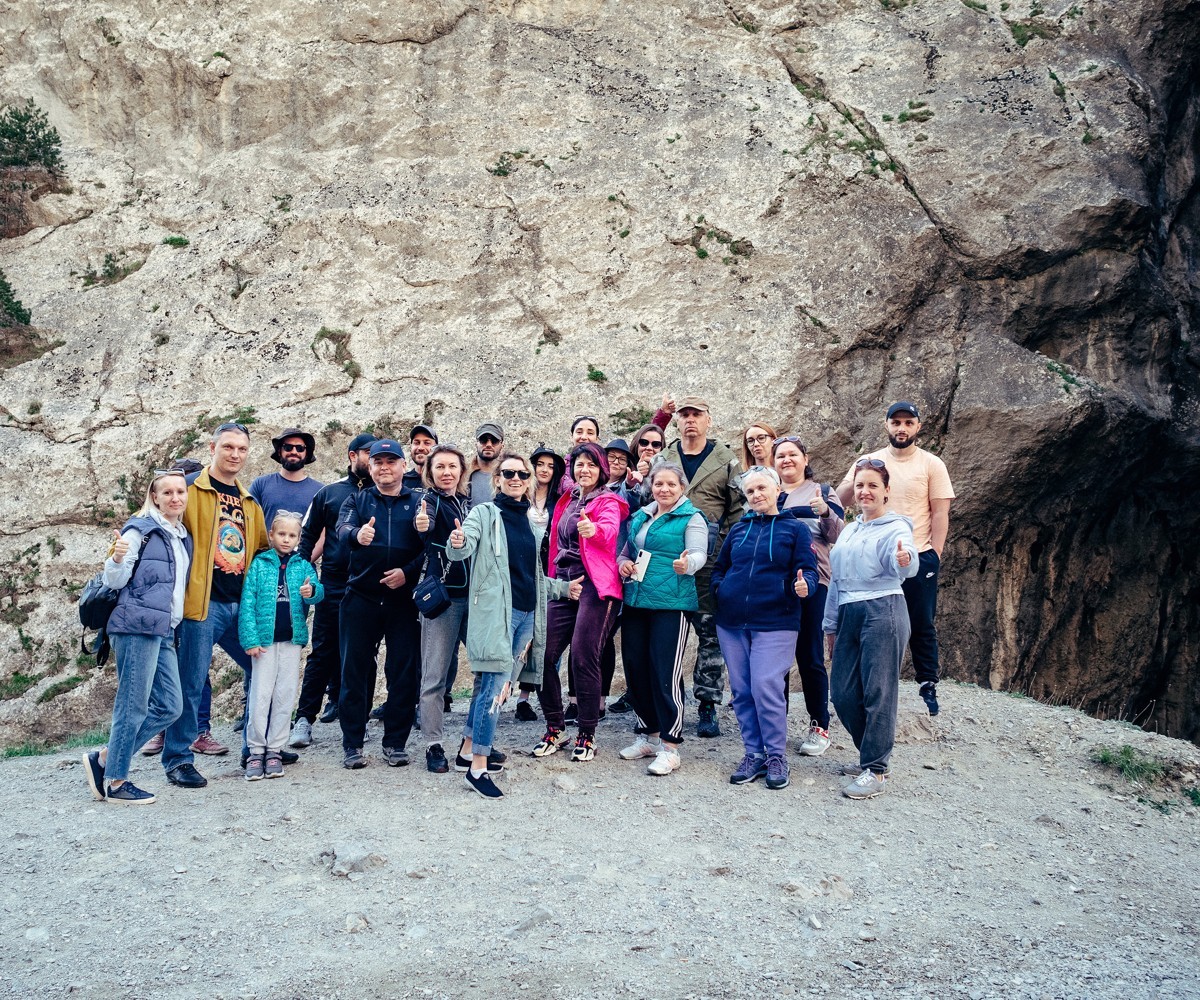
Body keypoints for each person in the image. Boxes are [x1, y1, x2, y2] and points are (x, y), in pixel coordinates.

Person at [446, 454, 566, 797]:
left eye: (522, 473)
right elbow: (463, 546)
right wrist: (458, 544)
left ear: (529, 480)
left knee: (495, 685)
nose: (516, 478)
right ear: (496, 479)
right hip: (499, 615)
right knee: (494, 690)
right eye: (508, 473)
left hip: (527, 615)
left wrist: (562, 589)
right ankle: (478, 768)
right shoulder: (484, 514)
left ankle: (468, 749)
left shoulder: (530, 521)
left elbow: (534, 574)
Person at [165, 422, 268, 789]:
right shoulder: (190, 491)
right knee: (190, 683)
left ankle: (253, 747)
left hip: (239, 604)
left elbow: (260, 552)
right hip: (202, 604)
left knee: (262, 667)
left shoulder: (249, 500)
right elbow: (161, 531)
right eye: (228, 447)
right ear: (213, 447)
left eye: (241, 449)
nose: (235, 454)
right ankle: (178, 759)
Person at [836, 401, 954, 715]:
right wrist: (830, 504)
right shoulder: (869, 461)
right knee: (875, 622)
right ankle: (870, 685)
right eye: (896, 422)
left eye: (908, 422)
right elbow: (844, 495)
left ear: (918, 427)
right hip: (875, 557)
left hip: (918, 553)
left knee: (921, 622)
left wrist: (935, 555)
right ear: (886, 425)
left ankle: (928, 683)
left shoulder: (931, 464)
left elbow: (941, 512)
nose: (901, 428)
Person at [83, 471, 192, 804]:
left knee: (171, 706)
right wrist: (115, 558)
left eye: (180, 492)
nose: (175, 497)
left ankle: (105, 757)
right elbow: (114, 580)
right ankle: (115, 782)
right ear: (155, 497)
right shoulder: (138, 529)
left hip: (163, 629)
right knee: (132, 706)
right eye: (167, 492)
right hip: (135, 628)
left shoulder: (180, 534)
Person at [711, 467, 818, 791]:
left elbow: (808, 571)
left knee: (765, 686)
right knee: (742, 691)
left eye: (762, 488)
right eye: (751, 491)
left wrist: (805, 587)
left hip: (776, 622)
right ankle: (753, 754)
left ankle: (776, 756)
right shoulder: (738, 530)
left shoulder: (795, 530)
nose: (756, 495)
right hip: (732, 623)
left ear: (775, 489)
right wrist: (721, 589)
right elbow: (720, 567)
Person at [825, 458, 918, 799]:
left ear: (886, 491)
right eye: (860, 485)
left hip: (884, 608)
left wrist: (905, 560)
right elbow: (835, 580)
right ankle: (870, 756)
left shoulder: (897, 527)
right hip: (849, 609)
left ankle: (876, 769)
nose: (865, 491)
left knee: (879, 690)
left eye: (873, 486)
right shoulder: (849, 529)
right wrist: (830, 626)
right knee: (843, 693)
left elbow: (903, 559)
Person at [533, 443, 628, 762]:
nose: (583, 469)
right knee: (541, 655)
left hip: (595, 584)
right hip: (565, 583)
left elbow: (610, 531)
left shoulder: (608, 500)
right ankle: (555, 727)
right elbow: (554, 547)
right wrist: (552, 585)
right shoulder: (566, 499)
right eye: (578, 464)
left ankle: (586, 735)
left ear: (602, 469)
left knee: (583, 657)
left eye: (591, 464)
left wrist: (594, 529)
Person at [335, 439, 425, 769]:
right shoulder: (356, 500)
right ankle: (353, 743)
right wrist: (357, 536)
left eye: (391, 461)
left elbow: (429, 547)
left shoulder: (419, 502)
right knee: (354, 672)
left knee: (403, 673)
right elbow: (342, 528)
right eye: (378, 462)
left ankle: (396, 742)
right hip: (361, 598)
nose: (384, 467)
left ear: (404, 466)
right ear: (369, 467)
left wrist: (407, 573)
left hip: (404, 602)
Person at [616, 463, 707, 776]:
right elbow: (627, 550)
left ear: (681, 486)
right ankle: (649, 735)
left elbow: (699, 554)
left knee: (664, 672)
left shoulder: (691, 517)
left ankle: (670, 746)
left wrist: (688, 564)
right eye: (658, 484)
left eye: (671, 484)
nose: (664, 490)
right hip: (637, 600)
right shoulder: (641, 515)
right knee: (636, 667)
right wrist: (623, 563)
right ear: (651, 486)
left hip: (672, 603)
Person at [661, 397, 741, 738]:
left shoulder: (725, 459)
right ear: (677, 421)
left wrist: (724, 547)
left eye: (697, 415)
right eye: (685, 415)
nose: (690, 421)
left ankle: (707, 704)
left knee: (710, 636)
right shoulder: (666, 458)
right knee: (668, 635)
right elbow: (652, 500)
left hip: (710, 564)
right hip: (669, 563)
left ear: (709, 420)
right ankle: (670, 700)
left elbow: (738, 508)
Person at [290, 433, 376, 743]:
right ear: (352, 456)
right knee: (323, 652)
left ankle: (359, 720)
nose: (375, 459)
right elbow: (307, 537)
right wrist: (302, 573)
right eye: (369, 453)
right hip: (333, 583)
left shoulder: (385, 493)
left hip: (370, 586)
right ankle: (303, 720)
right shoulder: (329, 494)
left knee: (365, 656)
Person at [237, 511, 323, 780]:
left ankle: (275, 749)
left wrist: (312, 593)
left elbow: (317, 592)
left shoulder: (303, 565)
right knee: (260, 696)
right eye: (282, 534)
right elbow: (247, 603)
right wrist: (250, 639)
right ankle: (255, 751)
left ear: (298, 538)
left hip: (291, 641)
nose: (287, 540)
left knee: (285, 695)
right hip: (263, 642)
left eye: (292, 535)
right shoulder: (260, 564)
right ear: (272, 535)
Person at [775, 435, 845, 756]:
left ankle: (820, 725)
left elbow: (837, 536)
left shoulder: (824, 492)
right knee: (777, 658)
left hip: (815, 581)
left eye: (792, 454)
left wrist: (825, 512)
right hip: (776, 584)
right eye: (780, 456)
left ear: (805, 458)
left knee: (809, 655)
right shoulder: (769, 492)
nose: (786, 460)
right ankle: (776, 724)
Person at [412, 443, 472, 774]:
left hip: (471, 599)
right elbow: (424, 523)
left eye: (452, 466)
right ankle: (433, 745)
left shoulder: (463, 503)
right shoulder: (430, 502)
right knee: (434, 675)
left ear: (461, 471)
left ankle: (474, 742)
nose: (446, 472)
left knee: (485, 670)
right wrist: (423, 524)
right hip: (443, 600)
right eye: (440, 467)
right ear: (430, 472)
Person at [514, 445, 566, 721]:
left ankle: (538, 696)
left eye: (550, 465)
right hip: (520, 571)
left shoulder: (560, 501)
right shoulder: (518, 495)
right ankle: (515, 694)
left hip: (548, 571)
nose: (544, 470)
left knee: (545, 636)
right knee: (521, 633)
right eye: (539, 464)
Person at [249, 428, 325, 528]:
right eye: (288, 447)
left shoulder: (321, 491)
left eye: (300, 448)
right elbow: (249, 521)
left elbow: (324, 531)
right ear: (280, 451)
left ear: (306, 453)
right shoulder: (260, 485)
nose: (294, 452)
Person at [467, 422, 504, 504]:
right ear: (476, 444)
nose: (488, 445)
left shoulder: (509, 475)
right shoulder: (462, 474)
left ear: (502, 445)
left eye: (494, 441)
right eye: (483, 440)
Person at [403, 424, 438, 492]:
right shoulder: (401, 481)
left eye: (427, 443)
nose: (420, 448)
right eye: (417, 443)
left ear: (436, 448)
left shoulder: (443, 480)